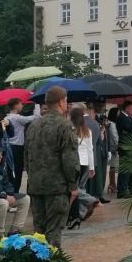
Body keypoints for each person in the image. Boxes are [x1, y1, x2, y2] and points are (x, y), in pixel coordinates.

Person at [24, 86, 80, 248]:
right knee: (54, 230)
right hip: (57, 187)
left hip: (36, 186)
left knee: (39, 231)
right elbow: (70, 159)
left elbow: (26, 156)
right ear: (61, 102)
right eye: (66, 100)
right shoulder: (64, 126)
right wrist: (73, 185)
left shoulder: (34, 125)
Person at [6, 98, 41, 192]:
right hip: (17, 147)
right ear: (16, 105)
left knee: (11, 170)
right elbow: (36, 117)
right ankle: (15, 191)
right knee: (18, 170)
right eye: (21, 104)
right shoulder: (17, 118)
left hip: (9, 146)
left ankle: (12, 190)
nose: (22, 106)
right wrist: (37, 103)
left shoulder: (7, 117)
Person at [115, 100, 132, 198]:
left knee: (130, 169)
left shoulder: (129, 117)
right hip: (125, 147)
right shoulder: (122, 117)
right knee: (125, 170)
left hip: (130, 146)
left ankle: (130, 187)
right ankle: (122, 190)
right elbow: (130, 129)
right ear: (128, 107)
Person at [106, 107, 120, 194]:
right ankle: (112, 184)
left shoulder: (111, 123)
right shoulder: (112, 124)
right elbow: (115, 137)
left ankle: (112, 184)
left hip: (112, 148)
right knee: (113, 167)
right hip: (114, 148)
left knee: (113, 166)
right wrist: (118, 145)